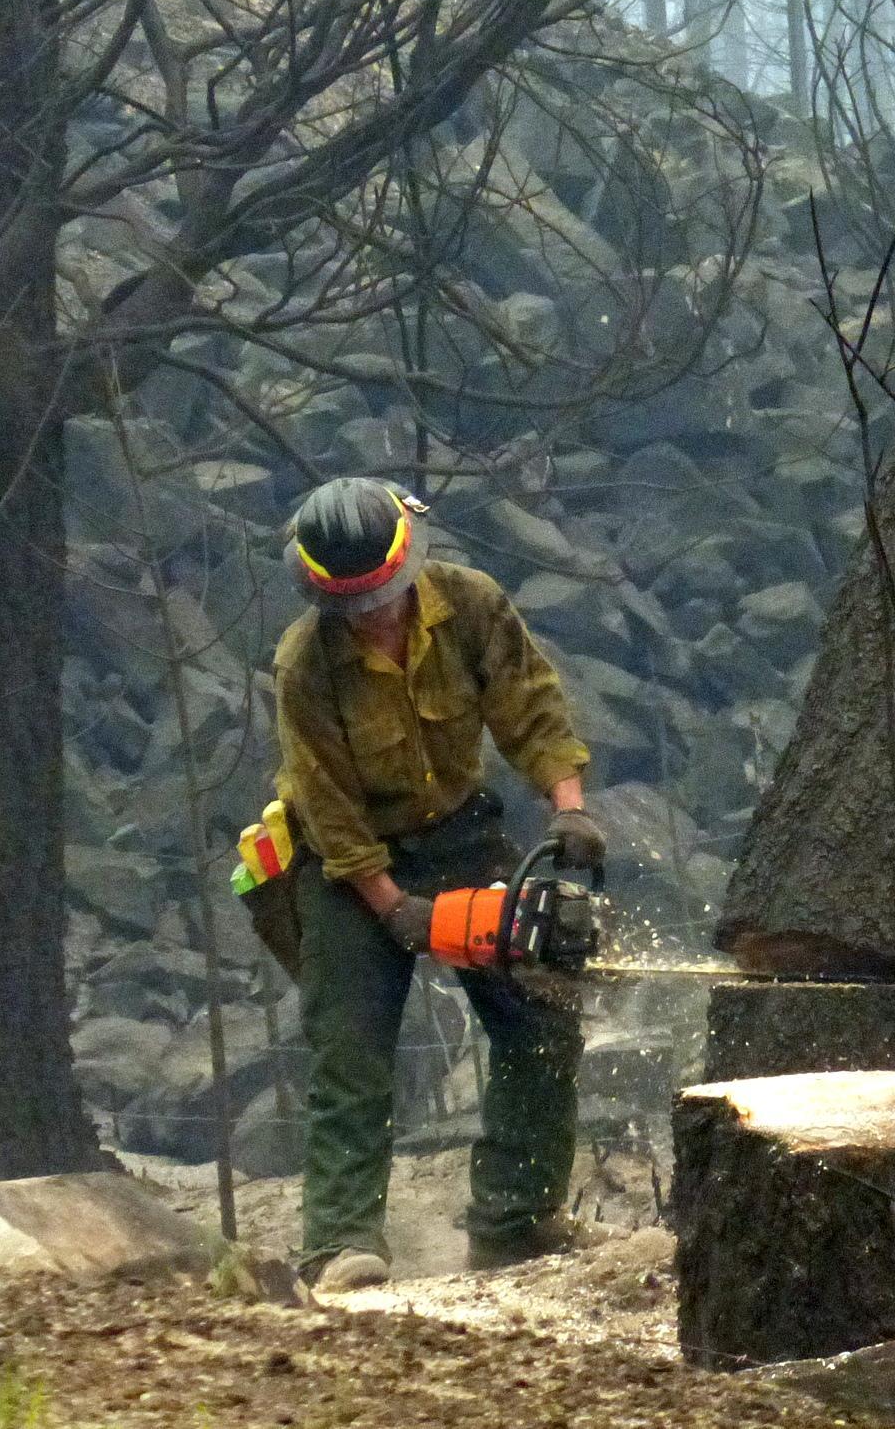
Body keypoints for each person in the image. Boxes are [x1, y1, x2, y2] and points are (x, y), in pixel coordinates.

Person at [273, 476, 610, 1292]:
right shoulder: (304, 665)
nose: (374, 614)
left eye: (383, 596)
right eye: (355, 605)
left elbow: (529, 705)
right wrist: (397, 911)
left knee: (540, 1018)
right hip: (346, 864)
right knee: (351, 1053)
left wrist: (568, 808)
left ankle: (515, 1223)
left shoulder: (470, 605)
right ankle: (341, 1243)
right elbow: (326, 805)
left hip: (462, 835)